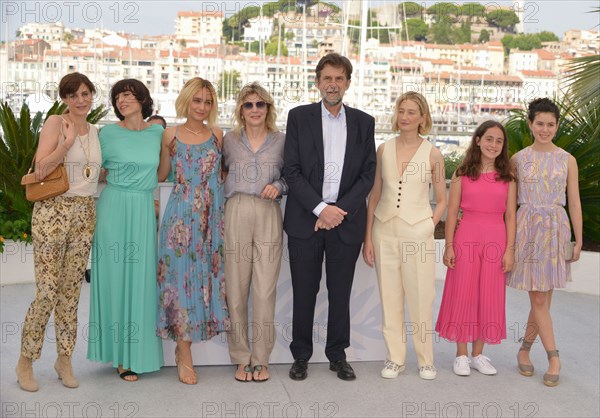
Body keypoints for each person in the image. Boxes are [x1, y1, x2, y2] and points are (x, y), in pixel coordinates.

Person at [284, 53, 376, 381]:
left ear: (348, 83)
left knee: (340, 292)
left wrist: (338, 211)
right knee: (304, 291)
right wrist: (321, 209)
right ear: (318, 81)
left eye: (339, 78)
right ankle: (301, 356)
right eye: (327, 78)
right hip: (306, 220)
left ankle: (338, 354)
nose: (333, 84)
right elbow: (291, 171)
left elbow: (368, 174)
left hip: (345, 222)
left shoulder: (365, 123)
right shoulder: (298, 117)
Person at [15, 73, 101, 392]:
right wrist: (66, 143)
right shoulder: (56, 123)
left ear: (92, 95)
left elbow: (92, 172)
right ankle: (26, 359)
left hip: (84, 212)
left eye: (85, 93)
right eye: (74, 95)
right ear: (65, 99)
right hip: (54, 209)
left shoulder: (95, 130)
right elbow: (41, 168)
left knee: (70, 294)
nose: (81, 100)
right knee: (47, 292)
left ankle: (64, 359)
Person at [363, 91, 446, 380]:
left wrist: (429, 225)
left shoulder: (433, 153)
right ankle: (395, 358)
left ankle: (425, 360)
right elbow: (374, 195)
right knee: (390, 298)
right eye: (402, 111)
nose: (406, 117)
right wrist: (368, 238)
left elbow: (443, 199)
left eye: (412, 112)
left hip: (418, 233)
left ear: (423, 117)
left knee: (421, 297)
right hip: (384, 229)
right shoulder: (384, 149)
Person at [87, 79, 164, 382]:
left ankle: (139, 351)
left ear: (142, 99)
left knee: (142, 282)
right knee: (115, 280)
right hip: (114, 207)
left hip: (143, 208)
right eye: (117, 97)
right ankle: (120, 356)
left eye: (128, 95)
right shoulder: (106, 133)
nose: (121, 101)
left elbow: (163, 171)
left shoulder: (158, 133)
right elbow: (92, 169)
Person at [156, 77, 229, 385]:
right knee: (178, 283)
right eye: (197, 100)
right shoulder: (170, 135)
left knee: (205, 282)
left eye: (208, 102)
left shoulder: (217, 134)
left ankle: (194, 340)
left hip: (211, 220)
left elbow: (224, 174)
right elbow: (161, 174)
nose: (202, 107)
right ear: (186, 101)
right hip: (179, 221)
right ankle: (183, 353)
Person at [507, 98, 582, 387]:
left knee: (544, 300)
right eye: (540, 123)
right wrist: (509, 245)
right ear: (530, 124)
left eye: (551, 124)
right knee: (538, 298)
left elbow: (573, 202)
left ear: (557, 126)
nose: (545, 129)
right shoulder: (518, 159)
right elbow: (510, 206)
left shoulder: (567, 159)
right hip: (528, 230)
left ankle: (524, 351)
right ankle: (554, 357)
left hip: (556, 230)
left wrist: (576, 239)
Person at [436, 120, 517, 376]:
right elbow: (451, 212)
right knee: (463, 292)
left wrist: (510, 250)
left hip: (496, 238)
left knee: (489, 294)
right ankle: (461, 355)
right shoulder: (462, 174)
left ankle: (478, 354)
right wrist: (449, 246)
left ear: (503, 146)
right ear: (478, 140)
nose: (494, 144)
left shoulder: (508, 177)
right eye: (489, 139)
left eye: (499, 141)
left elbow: (511, 217)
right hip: (467, 237)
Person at [222, 82, 286, 383]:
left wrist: (280, 186)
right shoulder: (228, 140)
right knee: (236, 289)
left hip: (268, 211)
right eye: (249, 105)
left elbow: (292, 175)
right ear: (241, 110)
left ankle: (261, 359)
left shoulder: (282, 141)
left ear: (268, 109)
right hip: (236, 209)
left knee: (264, 289)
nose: (255, 110)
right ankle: (240, 357)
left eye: (260, 104)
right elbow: (219, 172)